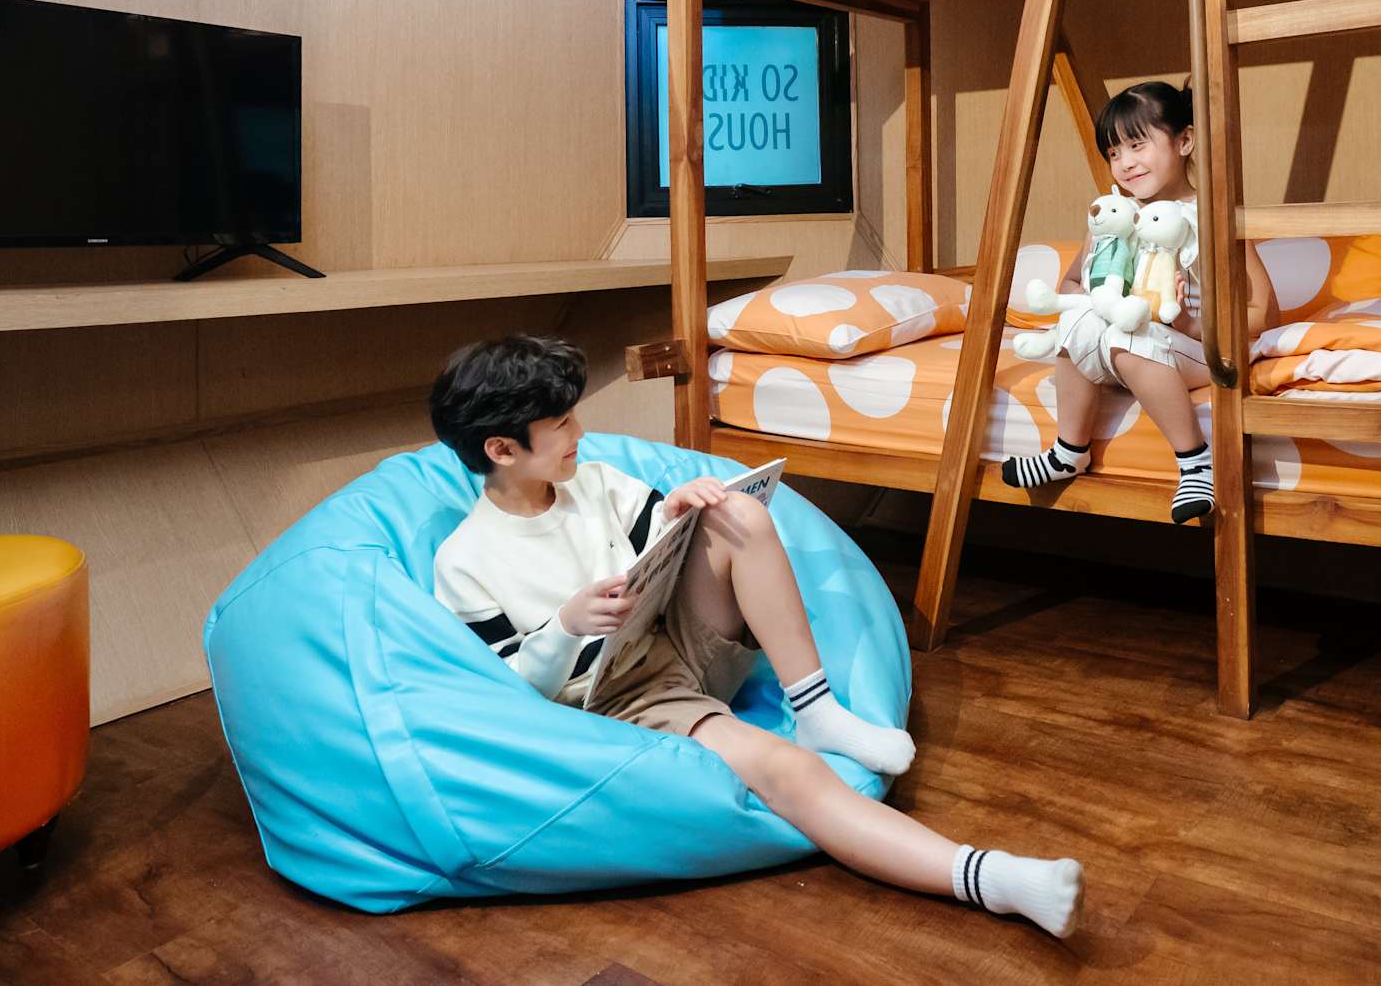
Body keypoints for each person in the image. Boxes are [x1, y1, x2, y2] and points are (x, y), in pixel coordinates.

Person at [428, 334, 1083, 937]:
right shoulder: (466, 560)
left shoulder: (593, 483)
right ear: (502, 450)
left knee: (736, 511)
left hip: (671, 642)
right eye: (562, 424)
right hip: (625, 700)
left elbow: (654, 550)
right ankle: (989, 879)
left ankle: (815, 709)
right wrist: (566, 626)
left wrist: (677, 512)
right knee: (789, 769)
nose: (581, 432)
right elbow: (509, 692)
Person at [999, 80, 1273, 522]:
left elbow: (1264, 314)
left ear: (1184, 141)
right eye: (1114, 152)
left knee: (1130, 338)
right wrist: (1093, 300)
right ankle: (1069, 450)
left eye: (1137, 145)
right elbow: (1072, 282)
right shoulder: (1114, 217)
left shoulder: (1213, 217)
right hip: (1121, 349)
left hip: (1197, 350)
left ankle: (1195, 461)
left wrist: (1188, 323)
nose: (1125, 163)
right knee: (1079, 325)